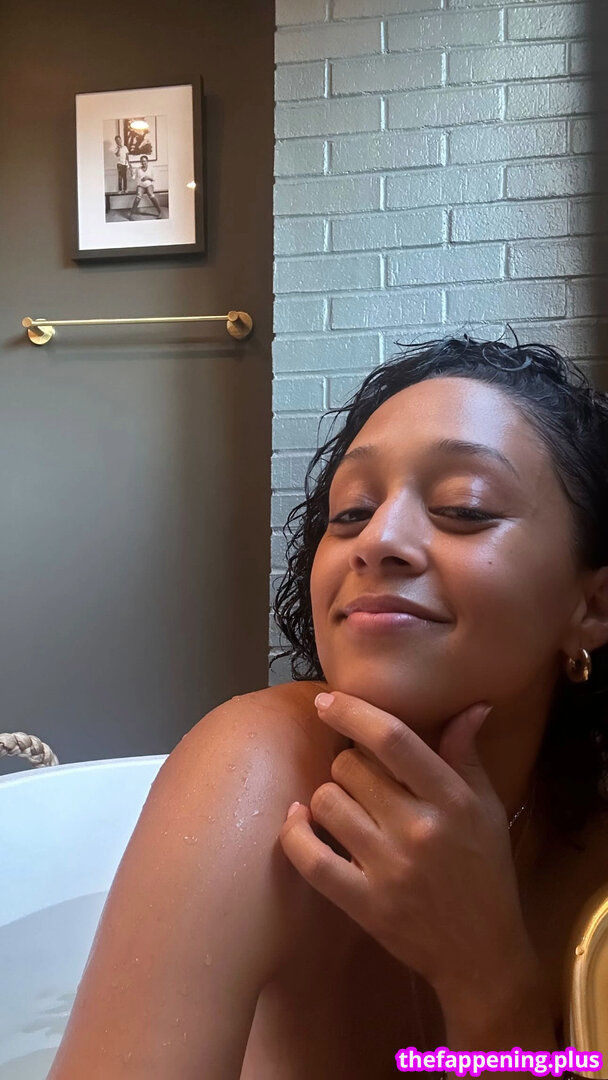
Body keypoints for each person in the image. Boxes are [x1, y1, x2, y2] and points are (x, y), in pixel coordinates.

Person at [47, 335, 608, 1079]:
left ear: (592, 605)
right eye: (350, 512)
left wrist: (488, 981)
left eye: (463, 508)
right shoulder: (257, 770)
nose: (378, 540)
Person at [128, 155, 161, 220]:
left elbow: (154, 179)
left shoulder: (151, 168)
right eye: (142, 161)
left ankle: (160, 212)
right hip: (141, 186)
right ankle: (131, 214)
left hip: (149, 185)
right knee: (138, 197)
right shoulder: (138, 169)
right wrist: (131, 172)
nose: (143, 163)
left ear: (147, 161)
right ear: (140, 162)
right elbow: (133, 178)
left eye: (145, 161)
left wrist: (148, 177)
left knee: (151, 195)